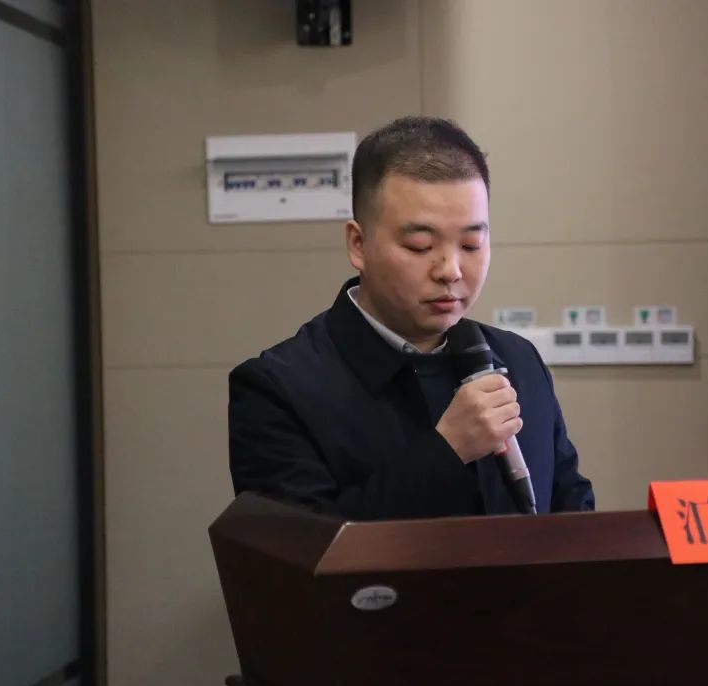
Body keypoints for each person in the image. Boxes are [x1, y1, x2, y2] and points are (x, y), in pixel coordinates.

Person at [228, 116, 594, 520]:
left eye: (471, 244)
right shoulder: (278, 389)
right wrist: (448, 449)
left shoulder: (518, 360)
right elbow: (298, 549)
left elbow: (573, 514)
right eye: (420, 246)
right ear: (358, 244)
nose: (450, 270)